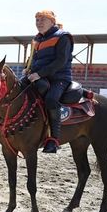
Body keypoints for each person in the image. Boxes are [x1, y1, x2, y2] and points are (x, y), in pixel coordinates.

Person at [23, 10, 74, 153]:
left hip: (59, 78)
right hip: (37, 75)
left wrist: (39, 74)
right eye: (37, 20)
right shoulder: (37, 38)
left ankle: (54, 140)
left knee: (51, 100)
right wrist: (27, 68)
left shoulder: (63, 37)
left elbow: (61, 61)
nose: (39, 23)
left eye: (42, 20)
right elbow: (33, 57)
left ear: (52, 21)